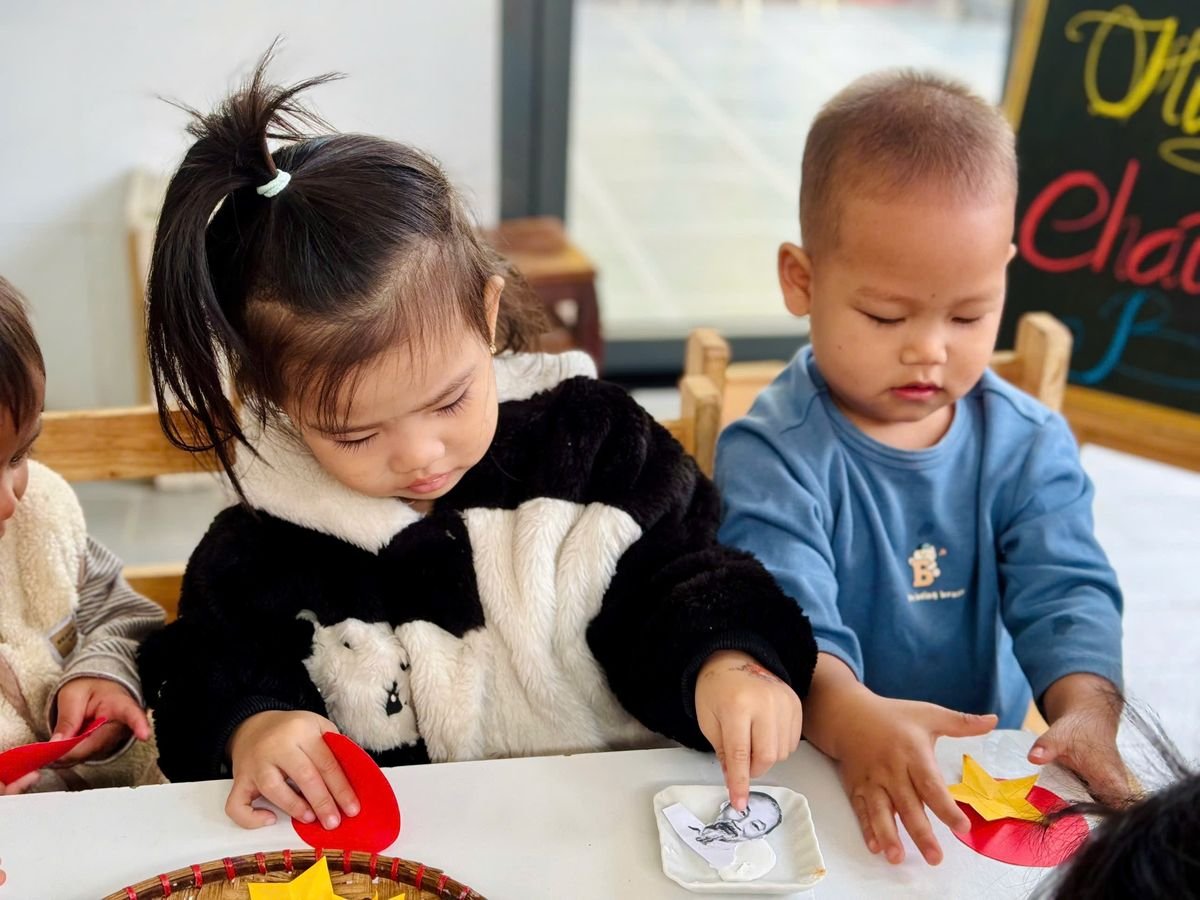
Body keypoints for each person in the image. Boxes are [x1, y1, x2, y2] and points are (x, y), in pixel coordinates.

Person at [137, 48, 817, 832]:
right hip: (406, 860)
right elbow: (206, 665)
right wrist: (253, 725)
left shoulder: (592, 445)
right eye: (356, 434)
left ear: (487, 315)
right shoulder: (267, 536)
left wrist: (725, 660)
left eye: (451, 399)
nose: (420, 454)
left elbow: (683, 577)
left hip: (611, 830)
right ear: (277, 403)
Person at [715, 70, 1124, 866]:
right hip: (824, 761)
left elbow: (1065, 590)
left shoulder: (1029, 442)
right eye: (886, 315)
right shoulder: (771, 452)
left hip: (975, 780)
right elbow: (789, 621)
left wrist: (1086, 707)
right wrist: (851, 713)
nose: (929, 349)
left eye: (969, 314)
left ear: (1004, 273)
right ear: (802, 280)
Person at [0, 277, 162, 793]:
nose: (9, 502)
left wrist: (104, 674)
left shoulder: (41, 523)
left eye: (18, 456)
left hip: (99, 814)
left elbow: (123, 615)